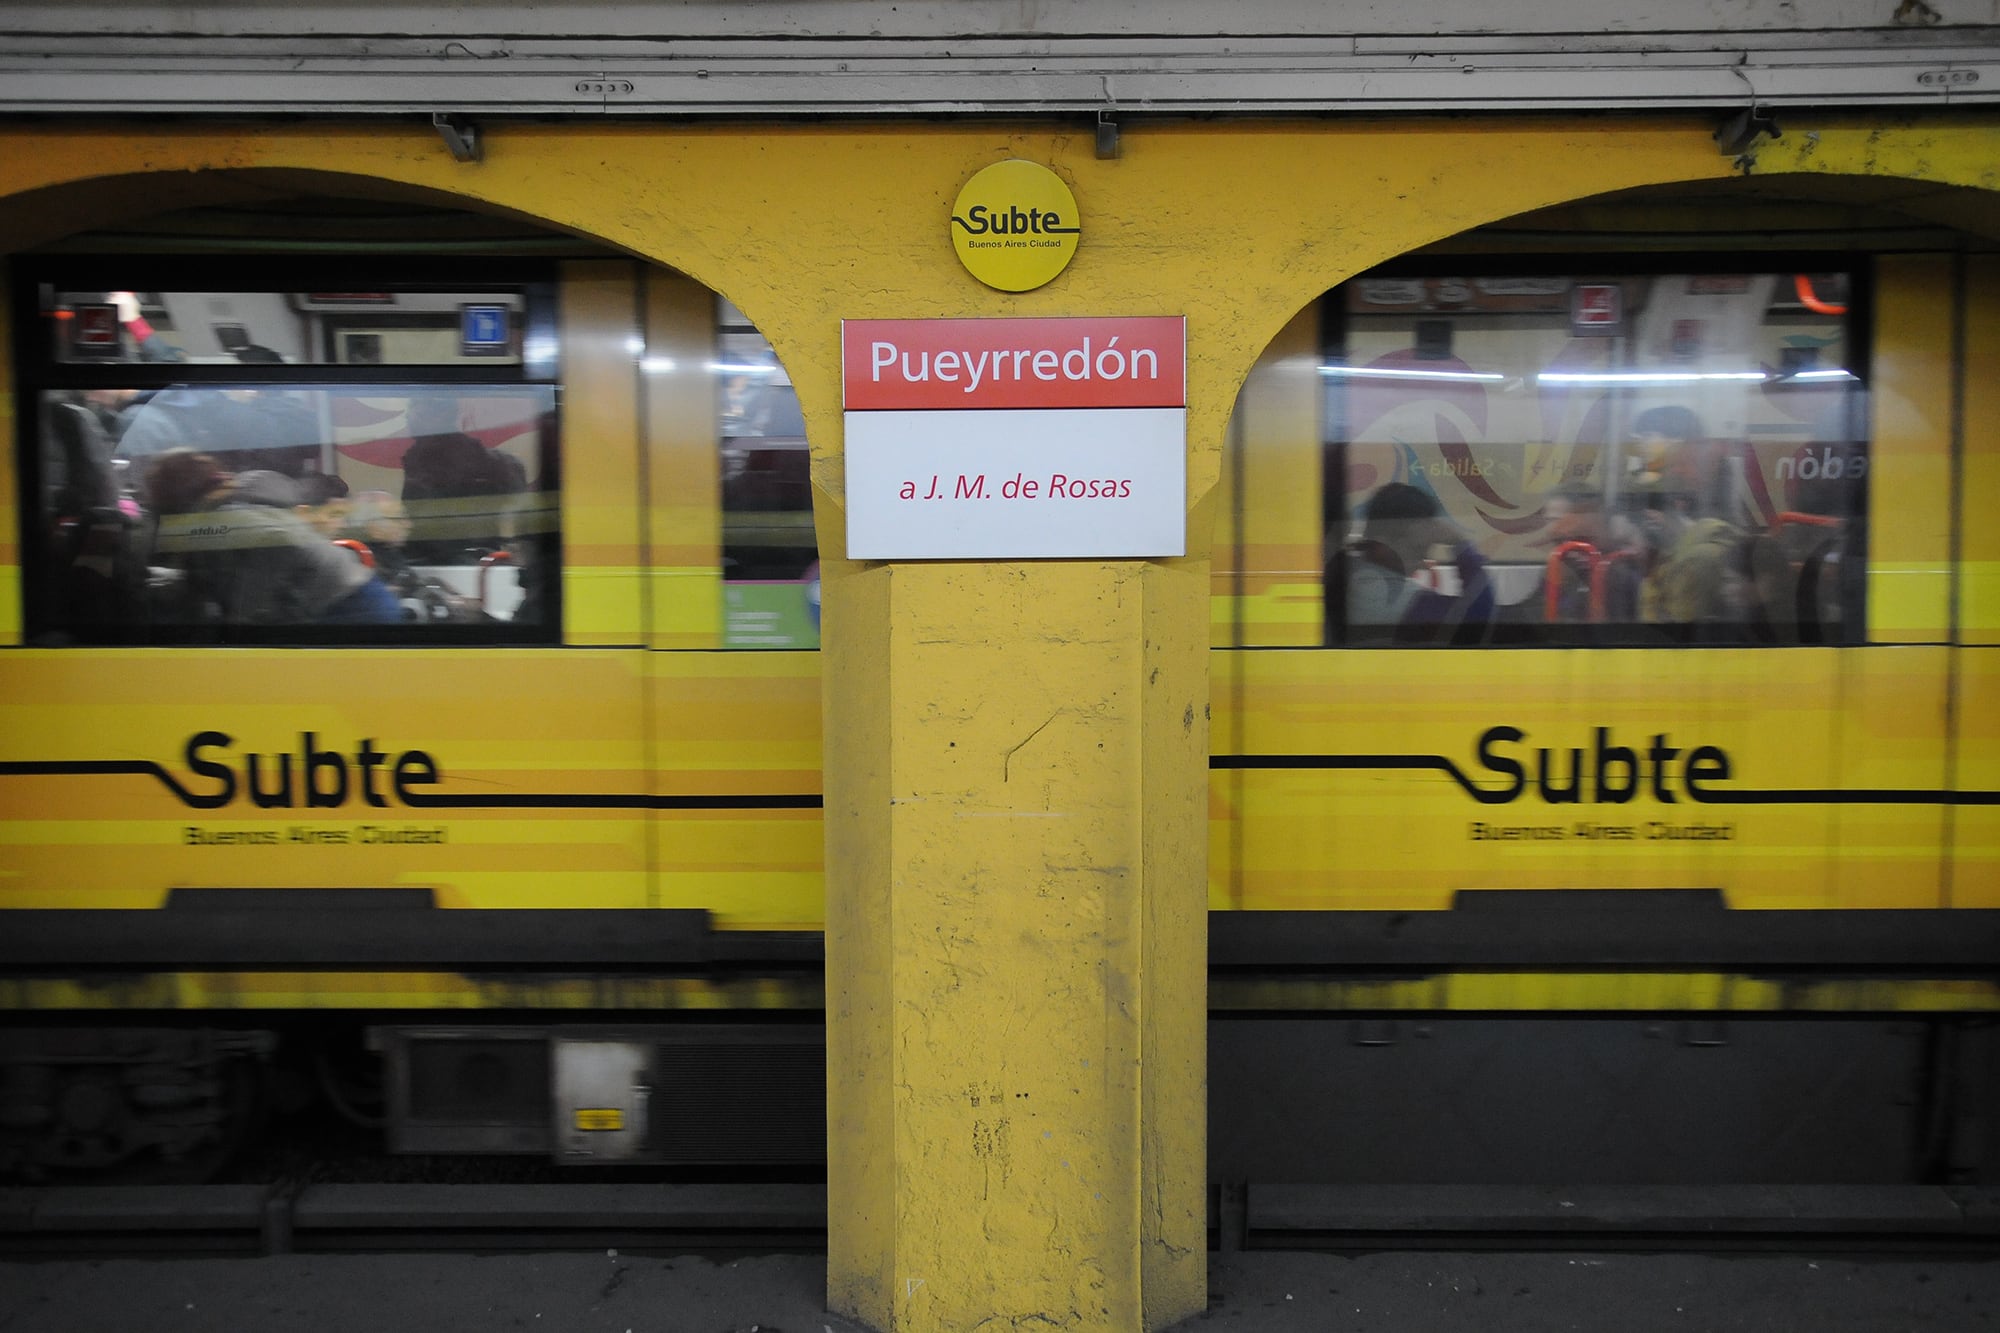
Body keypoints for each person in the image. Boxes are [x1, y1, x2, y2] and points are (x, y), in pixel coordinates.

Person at [144, 450, 399, 627]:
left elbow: (275, 541)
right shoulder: (231, 504)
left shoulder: (221, 516)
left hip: (347, 607)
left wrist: (244, 612)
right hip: (351, 597)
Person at [1336, 482, 1493, 644]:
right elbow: (1478, 615)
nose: (1421, 564)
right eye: (1416, 550)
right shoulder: (1390, 595)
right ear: (1383, 542)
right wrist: (1459, 544)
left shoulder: (1350, 572)